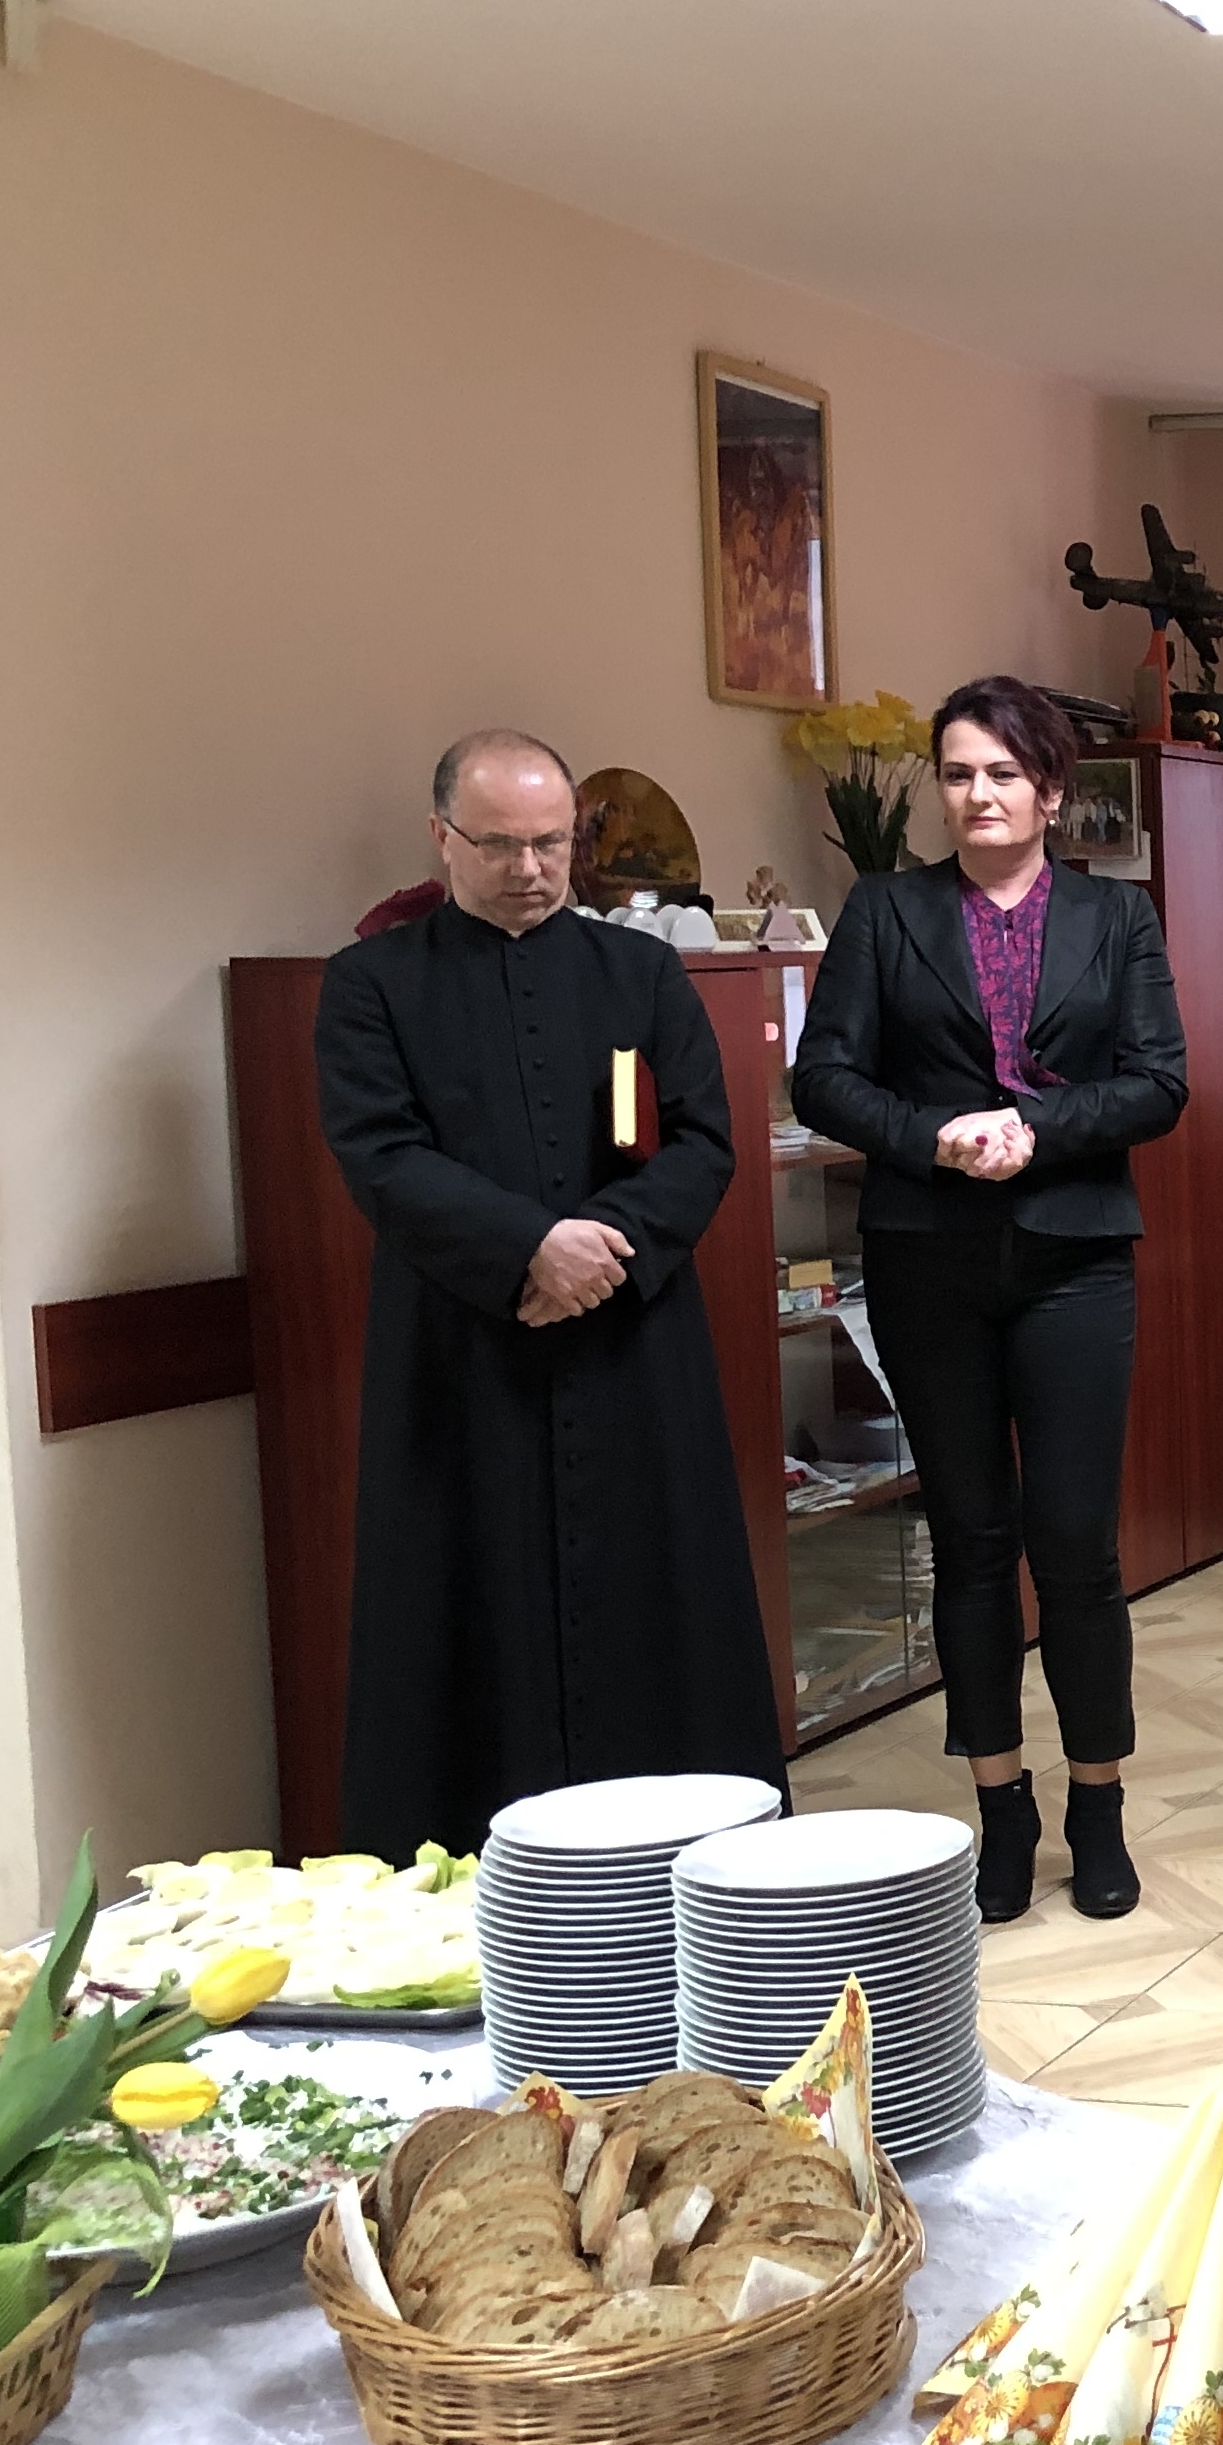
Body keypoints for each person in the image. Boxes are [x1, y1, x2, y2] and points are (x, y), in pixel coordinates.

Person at [315, 729, 783, 1857]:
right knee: (469, 1611)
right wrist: (529, 1248)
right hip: (464, 1355)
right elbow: (380, 1154)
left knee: (658, 1603)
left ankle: (687, 1865)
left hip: (632, 1345)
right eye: (499, 845)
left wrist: (601, 1252)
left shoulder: (642, 973)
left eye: (551, 843)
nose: (529, 869)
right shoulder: (371, 985)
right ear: (441, 839)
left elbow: (705, 1141)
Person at [793, 674, 1185, 1927]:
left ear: (1051, 790)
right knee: (968, 1539)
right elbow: (822, 1078)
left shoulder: (1116, 917)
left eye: (1004, 774)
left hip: (1076, 1256)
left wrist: (1031, 1128)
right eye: (958, 774)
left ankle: (1097, 1805)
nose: (978, 795)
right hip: (929, 1253)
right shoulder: (885, 910)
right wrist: (934, 1137)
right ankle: (1000, 1807)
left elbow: (1160, 1083)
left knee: (1076, 1543)